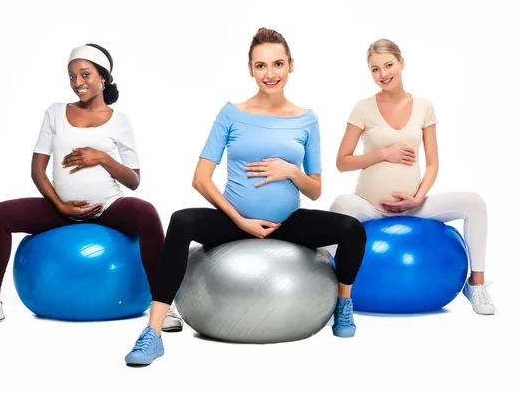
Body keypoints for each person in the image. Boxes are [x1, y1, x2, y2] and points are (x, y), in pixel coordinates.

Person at [124, 28, 367, 366]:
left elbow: (315, 189)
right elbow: (200, 179)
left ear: (291, 65)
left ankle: (343, 304)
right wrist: (240, 220)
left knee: (352, 229)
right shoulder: (231, 113)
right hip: (234, 220)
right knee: (181, 220)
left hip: (287, 222)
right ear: (250, 69)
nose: (270, 74)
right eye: (261, 66)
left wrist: (292, 172)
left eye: (278, 64)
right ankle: (153, 332)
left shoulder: (306, 119)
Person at [0, 43, 183, 332]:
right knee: (1, 214)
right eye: (71, 76)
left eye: (85, 74)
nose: (77, 83)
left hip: (107, 207)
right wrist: (60, 205)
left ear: (103, 77)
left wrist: (102, 158)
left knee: (146, 212)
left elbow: (133, 180)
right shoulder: (55, 113)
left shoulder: (120, 122)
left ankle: (163, 306)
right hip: (61, 208)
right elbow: (37, 169)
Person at [330, 38, 495, 316]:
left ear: (401, 63)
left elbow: (433, 164)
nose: (383, 74)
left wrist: (417, 198)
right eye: (375, 69)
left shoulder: (423, 107)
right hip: (370, 207)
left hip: (414, 206)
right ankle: (330, 286)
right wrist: (383, 154)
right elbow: (342, 162)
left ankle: (476, 284)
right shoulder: (362, 108)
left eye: (388, 65)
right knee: (341, 206)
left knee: (475, 203)